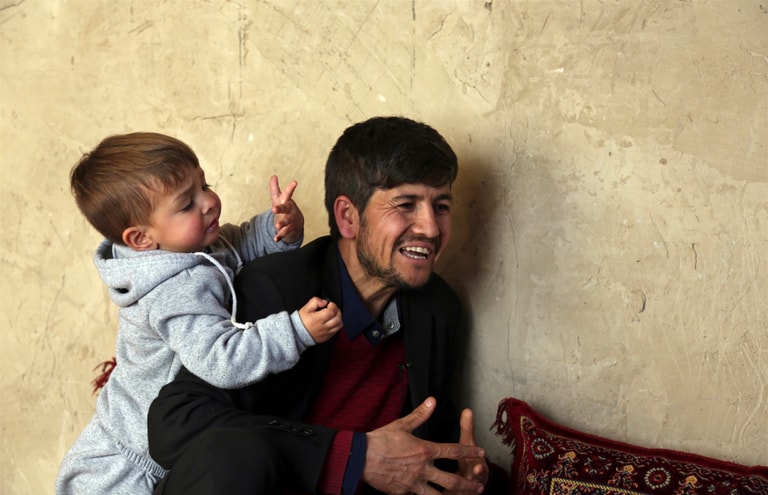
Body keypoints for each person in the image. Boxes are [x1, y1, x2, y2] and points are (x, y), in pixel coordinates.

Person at [147, 117, 492, 494]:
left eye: (441, 206)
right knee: (233, 456)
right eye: (406, 205)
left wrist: (456, 477)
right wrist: (353, 455)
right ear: (348, 217)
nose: (431, 228)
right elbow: (176, 424)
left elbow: (416, 454)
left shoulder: (439, 309)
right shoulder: (277, 286)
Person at [56, 132, 343, 494]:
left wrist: (279, 229)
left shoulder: (189, 248)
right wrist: (296, 331)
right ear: (141, 239)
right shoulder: (173, 292)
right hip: (125, 468)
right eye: (187, 204)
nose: (208, 202)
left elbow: (238, 245)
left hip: (164, 443)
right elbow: (221, 360)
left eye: (204, 184)